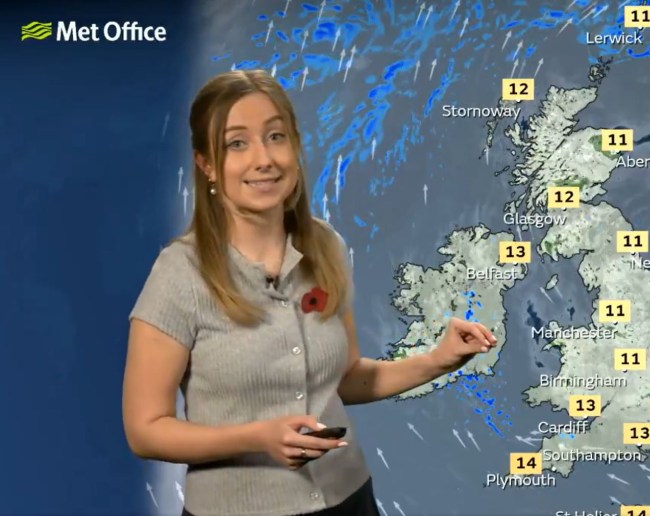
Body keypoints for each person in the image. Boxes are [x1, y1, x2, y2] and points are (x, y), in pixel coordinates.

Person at [121, 69, 497, 516]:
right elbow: (145, 430)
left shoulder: (325, 247)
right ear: (206, 164)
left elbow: (345, 378)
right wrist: (256, 437)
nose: (264, 159)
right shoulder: (180, 274)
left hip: (349, 499)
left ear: (295, 147)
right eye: (237, 143)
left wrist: (438, 360)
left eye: (275, 136)